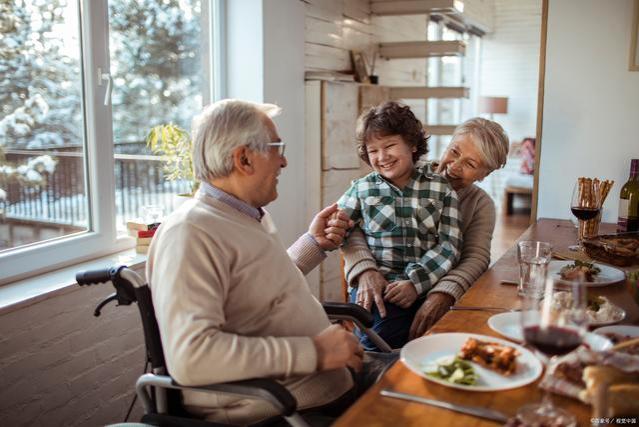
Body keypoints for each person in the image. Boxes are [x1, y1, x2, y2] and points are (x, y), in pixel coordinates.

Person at [147, 99, 392, 426]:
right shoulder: (190, 232)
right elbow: (191, 357)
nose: (284, 161)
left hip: (328, 381)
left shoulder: (242, 215)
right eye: (277, 148)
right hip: (284, 408)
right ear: (244, 158)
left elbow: (261, 289)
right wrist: (315, 352)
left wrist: (313, 244)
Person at [343, 117, 509, 345]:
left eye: (470, 164)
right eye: (454, 151)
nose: (454, 165)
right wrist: (365, 270)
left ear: (485, 175)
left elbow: (474, 258)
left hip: (433, 283)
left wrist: (441, 292)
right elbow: (349, 228)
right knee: (381, 336)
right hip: (386, 282)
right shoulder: (400, 171)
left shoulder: (482, 205)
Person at [336, 101, 463, 350]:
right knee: (382, 342)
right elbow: (337, 230)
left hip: (431, 285)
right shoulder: (361, 189)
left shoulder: (440, 188)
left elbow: (450, 244)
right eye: (373, 150)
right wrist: (364, 271)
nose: (382, 157)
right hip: (381, 290)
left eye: (390, 146)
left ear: (413, 144)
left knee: (448, 340)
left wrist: (416, 283)